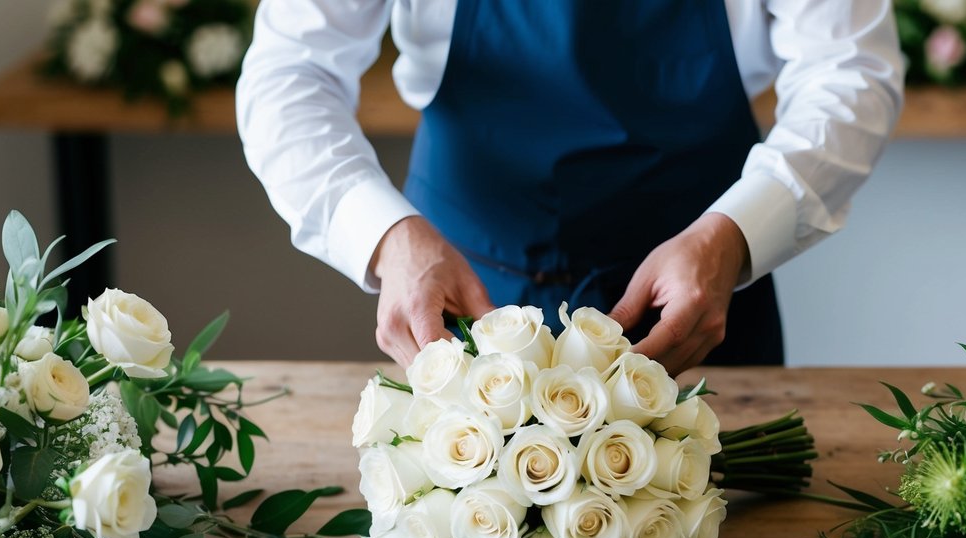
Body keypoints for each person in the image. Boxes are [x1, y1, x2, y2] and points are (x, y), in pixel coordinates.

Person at [236, 0, 903, 376]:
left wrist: (733, 235)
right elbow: (289, 72)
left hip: (699, 306)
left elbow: (851, 71)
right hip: (459, 301)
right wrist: (386, 241)